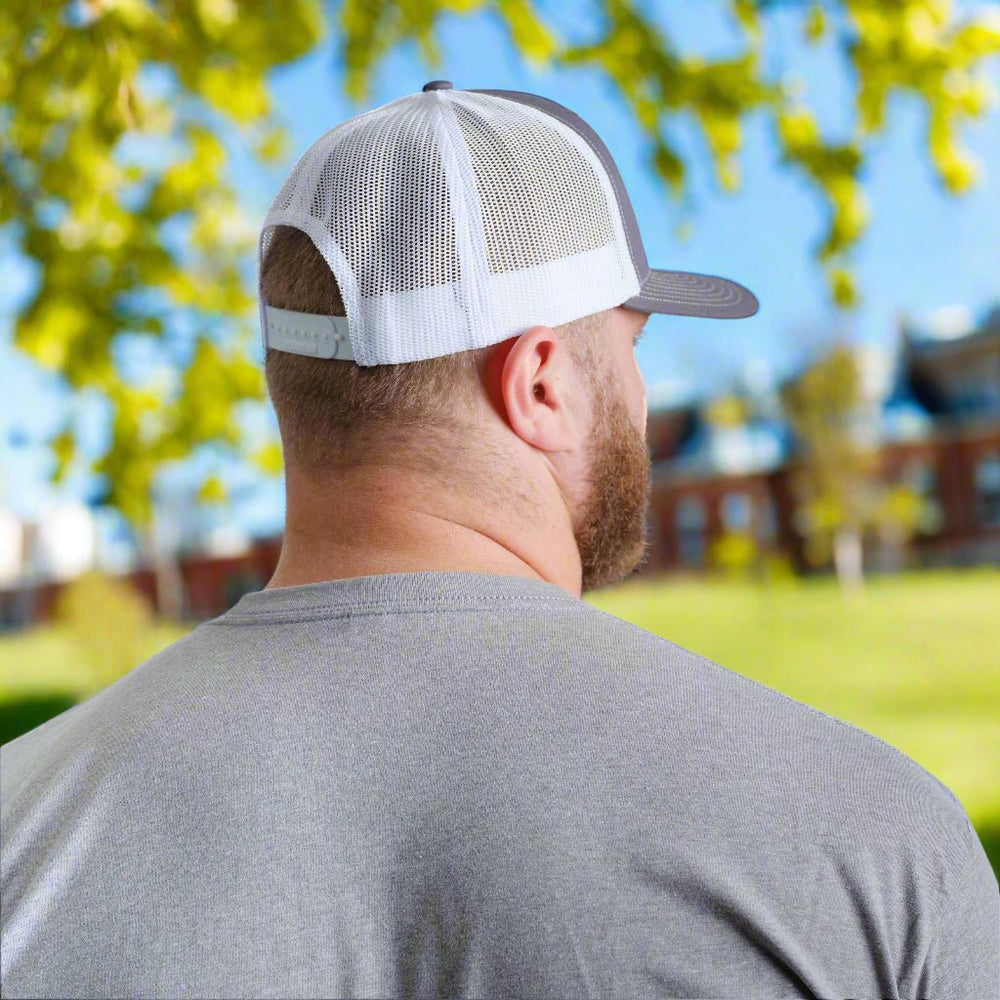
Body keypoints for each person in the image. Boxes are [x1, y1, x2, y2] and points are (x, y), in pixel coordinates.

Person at [2, 81, 997, 1000]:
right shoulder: (864, 838)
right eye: (631, 349)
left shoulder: (23, 828)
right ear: (542, 384)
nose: (642, 395)